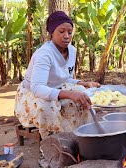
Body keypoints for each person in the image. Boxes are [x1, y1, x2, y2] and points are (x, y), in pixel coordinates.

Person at [14, 11, 100, 139]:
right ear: (52, 33)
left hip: (58, 88)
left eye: (69, 32)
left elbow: (66, 78)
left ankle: (83, 136)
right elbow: (37, 88)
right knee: (46, 107)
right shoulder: (45, 54)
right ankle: (53, 144)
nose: (66, 36)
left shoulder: (72, 51)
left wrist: (84, 84)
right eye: (61, 31)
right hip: (32, 92)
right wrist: (70, 94)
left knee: (84, 95)